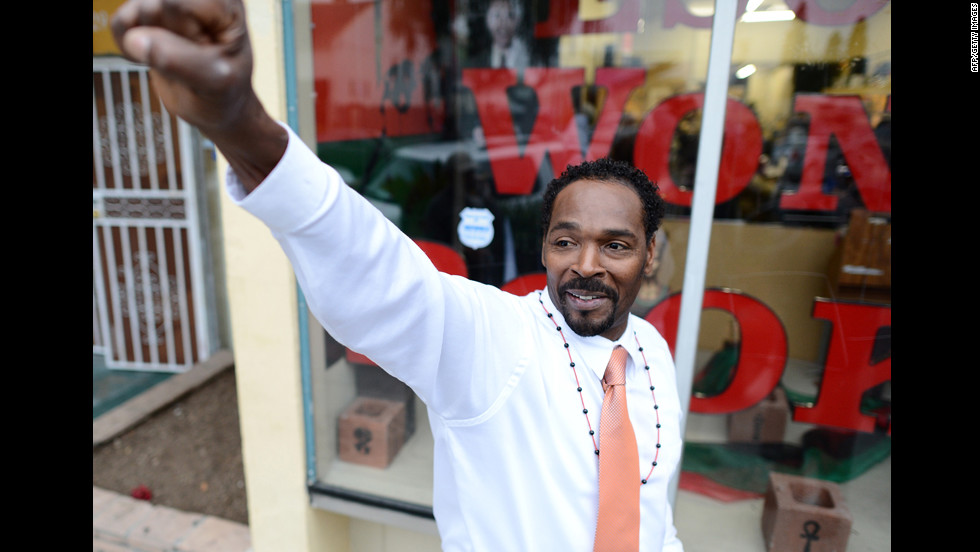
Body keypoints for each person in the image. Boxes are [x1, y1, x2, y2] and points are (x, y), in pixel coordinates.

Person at [111, 1, 685, 550]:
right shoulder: (500, 342)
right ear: (544, 248)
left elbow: (653, 518)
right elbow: (379, 272)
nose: (585, 265)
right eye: (566, 242)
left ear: (650, 255)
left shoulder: (653, 354)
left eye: (615, 245)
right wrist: (240, 125)